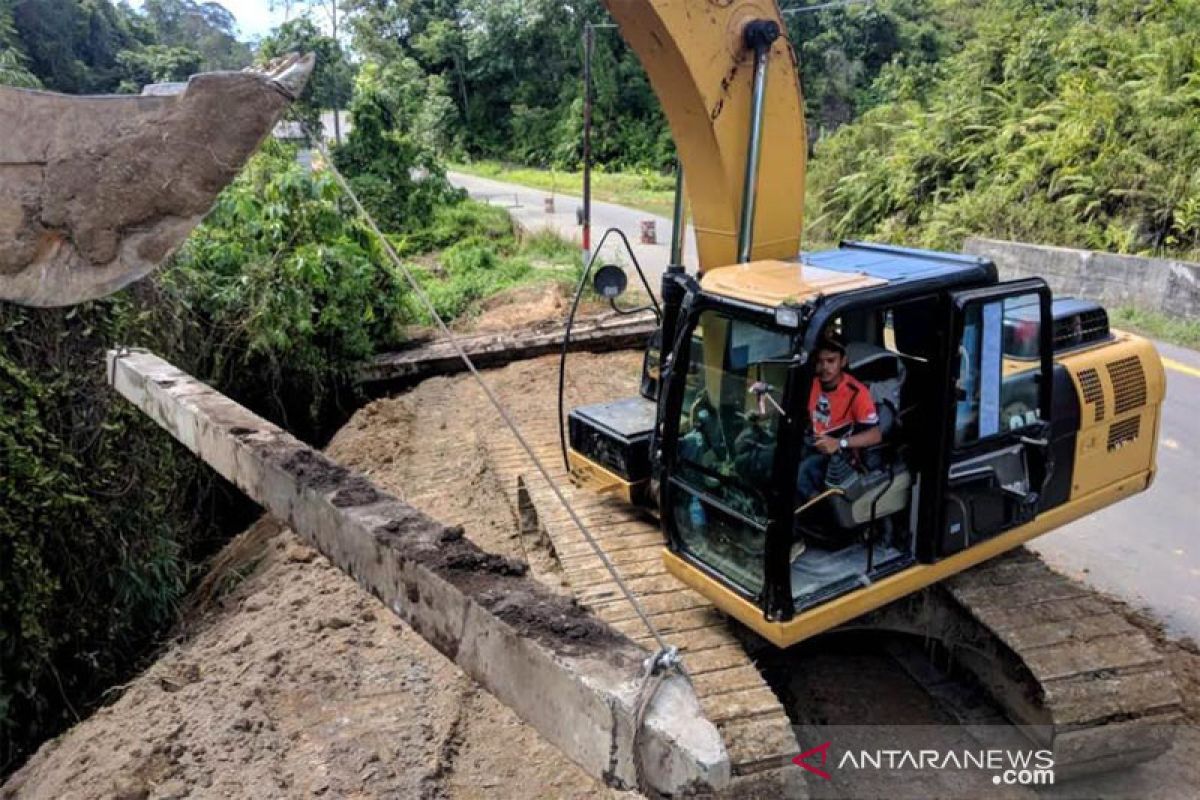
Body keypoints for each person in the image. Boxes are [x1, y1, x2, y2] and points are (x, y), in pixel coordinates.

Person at [795, 333, 883, 503]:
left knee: (801, 476)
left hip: (840, 455)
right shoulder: (811, 384)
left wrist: (839, 443)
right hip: (812, 442)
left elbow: (875, 435)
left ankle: (817, 512)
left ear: (842, 362)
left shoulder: (857, 393)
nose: (824, 367)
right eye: (820, 362)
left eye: (831, 361)